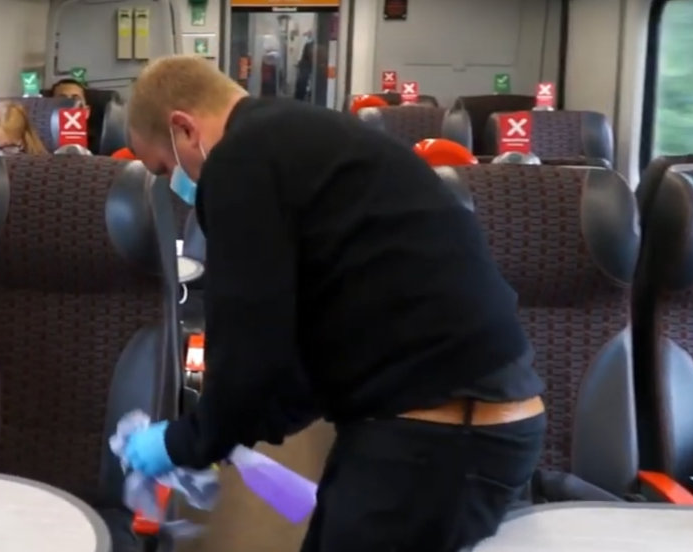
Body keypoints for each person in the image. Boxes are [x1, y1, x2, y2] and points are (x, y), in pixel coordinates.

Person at [119, 55, 545, 551]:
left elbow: (249, 348)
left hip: (440, 433)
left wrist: (184, 442)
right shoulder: (298, 138)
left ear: (184, 128)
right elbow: (301, 347)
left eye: (165, 166)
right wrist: (224, 436)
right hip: (463, 423)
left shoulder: (240, 159)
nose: (177, 182)